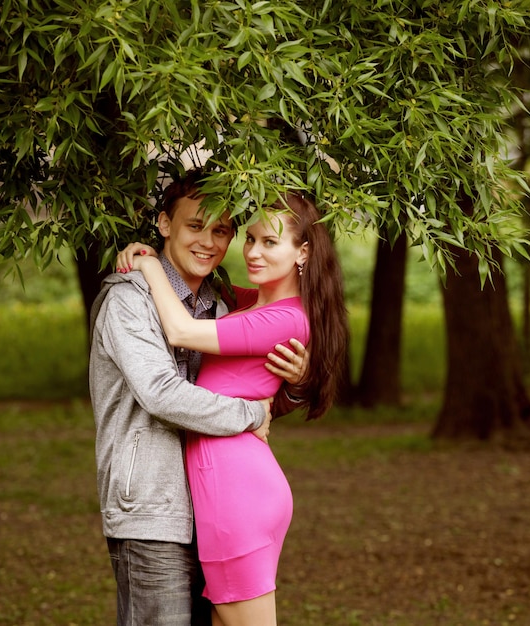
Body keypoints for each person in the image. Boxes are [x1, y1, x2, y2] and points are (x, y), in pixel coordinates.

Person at [89, 171, 308, 626]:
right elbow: (162, 395)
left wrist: (295, 383)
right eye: (195, 226)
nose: (209, 241)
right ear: (165, 225)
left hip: (214, 506)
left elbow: (247, 383)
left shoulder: (221, 302)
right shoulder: (128, 301)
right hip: (151, 508)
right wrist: (250, 414)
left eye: (222, 230)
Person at [124, 191, 348, 626]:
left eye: (270, 242)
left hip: (235, 491)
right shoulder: (250, 302)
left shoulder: (285, 317)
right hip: (229, 483)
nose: (252, 251)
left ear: (303, 252)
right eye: (250, 238)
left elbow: (181, 329)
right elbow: (203, 290)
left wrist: (150, 264)